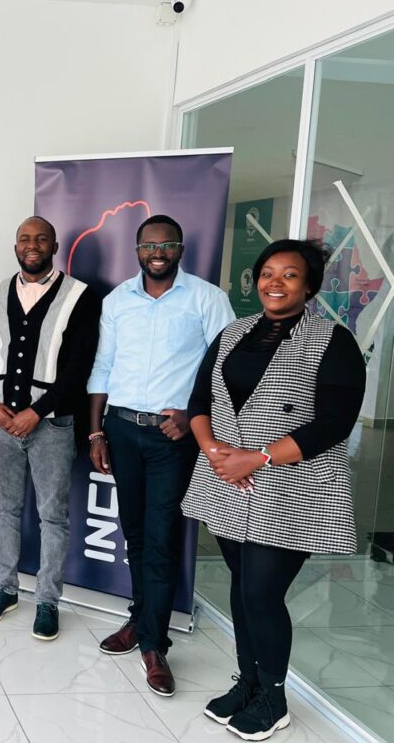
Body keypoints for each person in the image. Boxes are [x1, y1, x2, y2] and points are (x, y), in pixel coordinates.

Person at [183, 240, 365, 741]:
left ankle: (275, 697)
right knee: (243, 591)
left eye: (289, 275)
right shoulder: (233, 333)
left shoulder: (333, 340)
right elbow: (199, 400)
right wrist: (214, 450)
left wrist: (257, 457)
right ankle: (250, 682)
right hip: (226, 482)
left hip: (292, 487)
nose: (275, 283)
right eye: (267, 273)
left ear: (309, 285)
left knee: (263, 593)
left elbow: (334, 422)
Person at [87, 214, 234, 696]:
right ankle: (140, 620)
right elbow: (104, 367)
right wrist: (95, 433)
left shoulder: (207, 299)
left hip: (174, 438)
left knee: (162, 537)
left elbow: (226, 368)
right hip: (122, 430)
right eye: (149, 245)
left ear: (180, 248)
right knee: (135, 534)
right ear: (136, 251)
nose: (158, 251)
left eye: (167, 244)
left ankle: (153, 643)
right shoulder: (117, 301)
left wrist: (192, 416)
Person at [0, 216, 101, 640]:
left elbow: (79, 366)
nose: (32, 245)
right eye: (24, 239)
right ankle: (5, 589)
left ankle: (47, 600)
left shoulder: (80, 296)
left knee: (52, 514)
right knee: (5, 506)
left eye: (40, 238)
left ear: (55, 245)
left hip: (52, 425)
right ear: (15, 246)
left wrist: (37, 411)